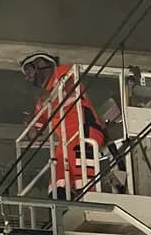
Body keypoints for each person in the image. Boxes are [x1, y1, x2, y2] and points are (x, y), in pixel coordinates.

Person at [19, 52, 105, 196]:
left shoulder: (63, 72)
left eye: (28, 70)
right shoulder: (41, 102)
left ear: (40, 63)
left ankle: (89, 207)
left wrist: (47, 97)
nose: (27, 76)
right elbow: (35, 136)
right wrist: (30, 125)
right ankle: (60, 212)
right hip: (65, 141)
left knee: (84, 182)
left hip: (83, 132)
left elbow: (70, 92)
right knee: (57, 180)